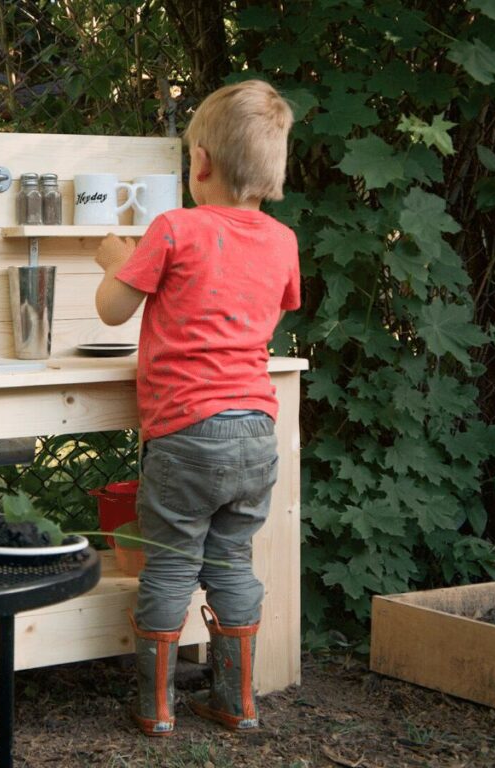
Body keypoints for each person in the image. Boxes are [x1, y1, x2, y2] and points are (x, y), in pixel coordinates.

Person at [93, 79, 300, 736]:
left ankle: (156, 708)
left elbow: (113, 310)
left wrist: (112, 263)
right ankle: (237, 701)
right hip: (257, 429)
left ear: (201, 163)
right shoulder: (282, 240)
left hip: (186, 430)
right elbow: (267, 308)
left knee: (173, 561)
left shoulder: (174, 228)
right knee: (232, 560)